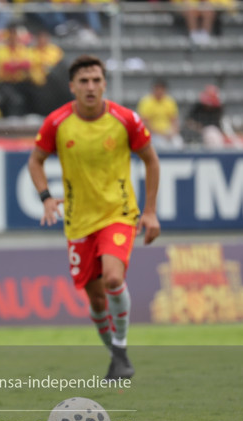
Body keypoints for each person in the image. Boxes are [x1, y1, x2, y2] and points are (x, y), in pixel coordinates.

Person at [27, 55, 161, 381]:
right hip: (78, 222)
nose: (91, 87)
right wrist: (46, 198)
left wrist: (151, 212)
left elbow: (151, 162)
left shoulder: (125, 119)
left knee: (113, 279)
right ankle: (116, 355)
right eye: (84, 81)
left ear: (104, 84)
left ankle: (121, 351)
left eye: (96, 80)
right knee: (96, 299)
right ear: (72, 87)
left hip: (118, 213)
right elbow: (35, 161)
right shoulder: (57, 123)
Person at [137, 79, 183, 150]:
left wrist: (174, 132)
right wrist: (161, 133)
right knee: (161, 145)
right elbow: (145, 123)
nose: (159, 92)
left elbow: (174, 120)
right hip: (153, 133)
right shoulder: (146, 102)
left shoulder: (169, 101)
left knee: (178, 143)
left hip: (168, 131)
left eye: (161, 89)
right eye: (157, 89)